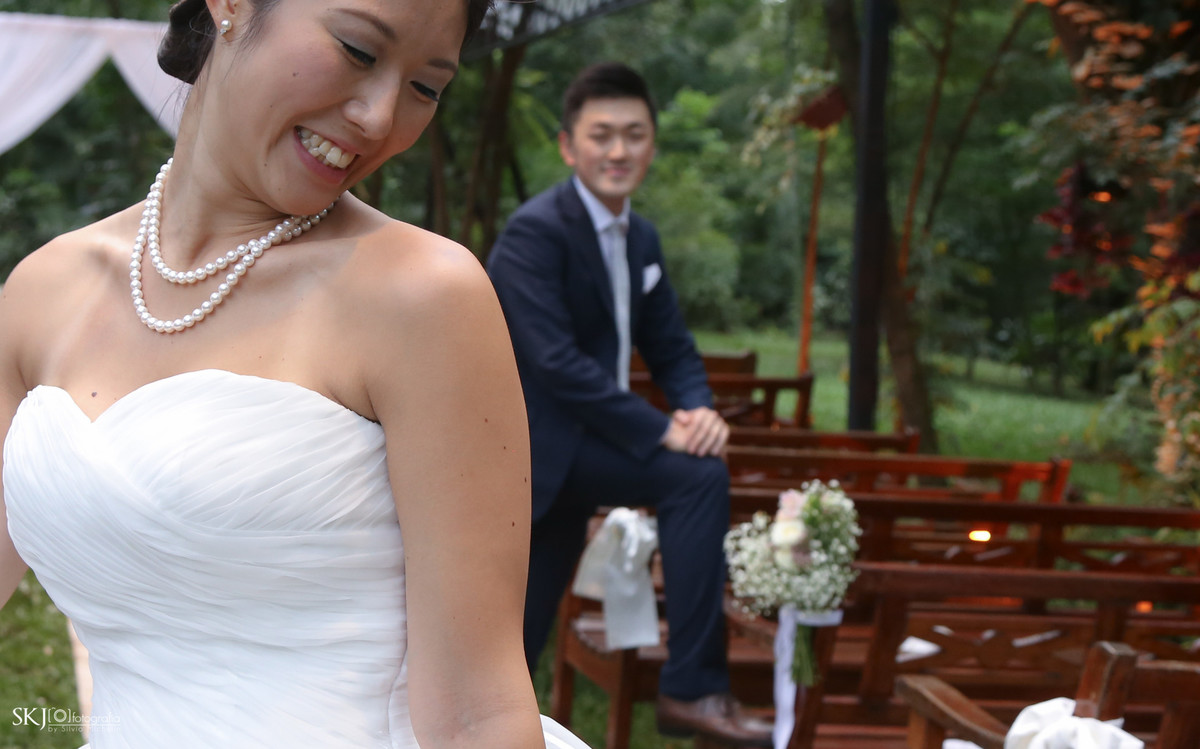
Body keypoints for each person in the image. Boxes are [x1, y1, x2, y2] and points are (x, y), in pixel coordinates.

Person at [0, 0, 588, 747]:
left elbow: (477, 712)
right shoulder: (43, 291)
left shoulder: (423, 299)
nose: (380, 117)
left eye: (425, 88)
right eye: (358, 50)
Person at [486, 62, 772, 746]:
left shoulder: (639, 237)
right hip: (534, 452)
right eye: (602, 135)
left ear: (652, 144)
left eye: (634, 135)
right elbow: (555, 364)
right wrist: (657, 430)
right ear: (568, 146)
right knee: (507, 649)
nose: (619, 151)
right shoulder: (535, 232)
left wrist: (698, 409)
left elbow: (672, 345)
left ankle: (691, 690)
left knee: (699, 472)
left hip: (589, 448)